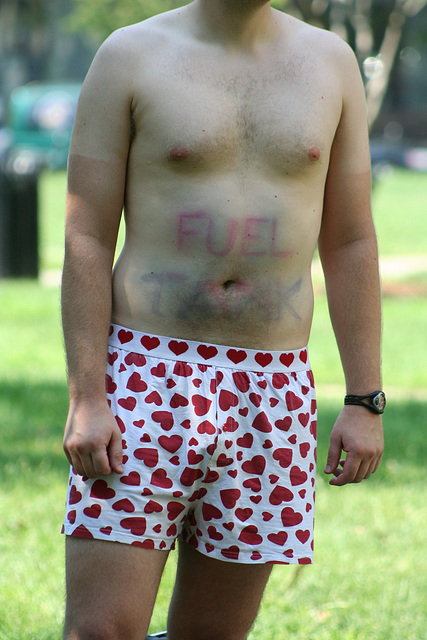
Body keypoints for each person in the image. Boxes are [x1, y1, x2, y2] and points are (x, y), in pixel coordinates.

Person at [61, 1, 385, 638]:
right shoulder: (129, 55)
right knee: (99, 631)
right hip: (147, 374)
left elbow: (350, 239)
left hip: (273, 389)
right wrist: (86, 394)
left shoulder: (331, 62)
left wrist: (364, 399)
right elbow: (87, 235)